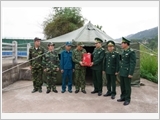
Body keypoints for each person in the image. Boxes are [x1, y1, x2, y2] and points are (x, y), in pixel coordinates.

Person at [117, 37, 136, 106]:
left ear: (126, 44)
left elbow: (132, 63)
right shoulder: (123, 51)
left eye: (122, 43)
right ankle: (123, 97)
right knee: (122, 86)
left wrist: (130, 73)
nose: (121, 44)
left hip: (127, 72)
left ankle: (127, 99)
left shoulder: (131, 52)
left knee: (127, 86)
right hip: (122, 71)